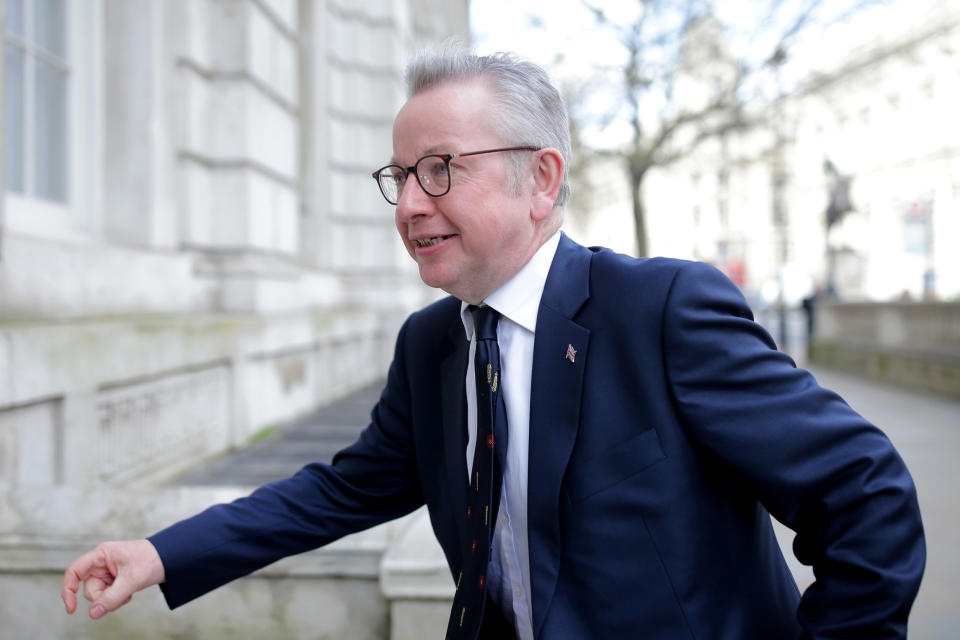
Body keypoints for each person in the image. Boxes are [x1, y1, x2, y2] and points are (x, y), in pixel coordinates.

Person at [62, 46, 925, 639]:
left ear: (540, 179)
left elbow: (865, 495)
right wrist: (160, 554)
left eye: (440, 169)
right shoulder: (431, 343)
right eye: (401, 177)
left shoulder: (660, 308)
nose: (408, 204)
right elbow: (338, 492)